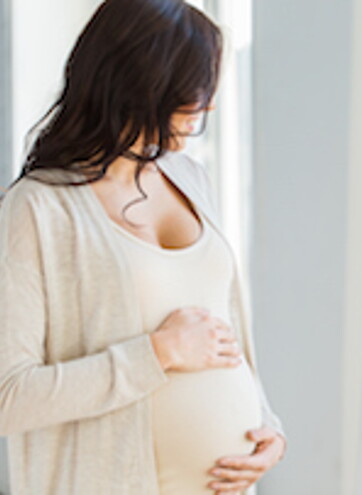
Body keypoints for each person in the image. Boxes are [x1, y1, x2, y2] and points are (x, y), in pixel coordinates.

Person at [0, 1, 285, 494]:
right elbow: (10, 397)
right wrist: (157, 353)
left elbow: (227, 329)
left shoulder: (192, 178)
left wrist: (267, 424)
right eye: (196, 89)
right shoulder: (39, 208)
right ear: (146, 83)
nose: (209, 106)